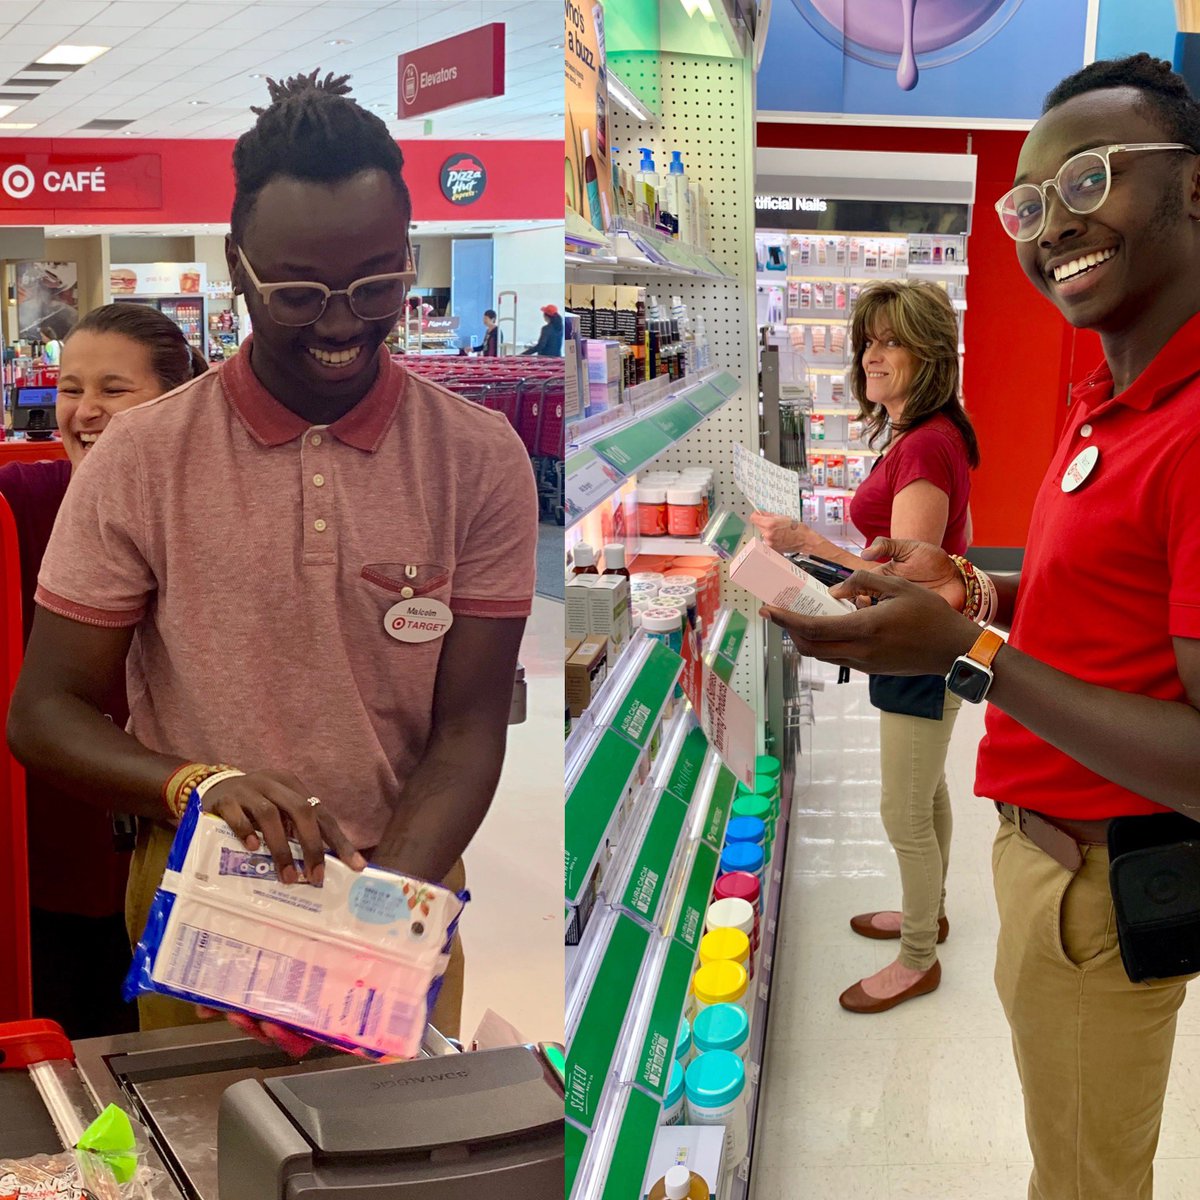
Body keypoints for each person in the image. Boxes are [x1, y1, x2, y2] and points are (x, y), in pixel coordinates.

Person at [8, 71, 538, 1056]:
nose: (341, 323)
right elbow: (44, 714)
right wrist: (196, 783)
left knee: (389, 1157)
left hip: (405, 891)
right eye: (298, 292)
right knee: (221, 1153)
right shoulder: (140, 457)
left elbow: (467, 726)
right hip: (201, 910)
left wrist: (371, 922)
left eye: (378, 284)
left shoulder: (477, 456)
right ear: (237, 267)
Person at [763, 55, 1200, 1200]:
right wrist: (973, 589)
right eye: (1029, 201)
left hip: (1104, 884)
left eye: (1092, 178)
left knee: (1088, 1182)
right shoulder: (1106, 401)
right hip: (1041, 861)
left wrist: (966, 652)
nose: (1053, 224)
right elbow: (1107, 613)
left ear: (1194, 188)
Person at [751, 280, 978, 1013]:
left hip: (920, 644)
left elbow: (908, 577)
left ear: (930, 355)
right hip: (922, 645)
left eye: (891, 341)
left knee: (901, 810)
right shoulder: (921, 436)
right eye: (868, 340)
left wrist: (811, 544)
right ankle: (930, 913)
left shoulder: (928, 447)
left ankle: (919, 958)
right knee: (927, 790)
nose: (871, 355)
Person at [1, 304, 207, 1038]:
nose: (83, 412)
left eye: (113, 390)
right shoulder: (25, 500)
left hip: (191, 864)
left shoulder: (213, 515)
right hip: (55, 861)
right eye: (68, 389)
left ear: (176, 400)